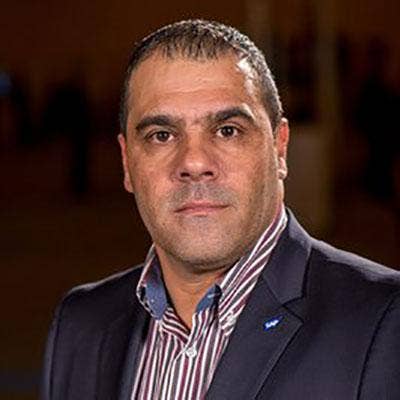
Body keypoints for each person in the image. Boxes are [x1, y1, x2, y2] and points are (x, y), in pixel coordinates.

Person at [40, 20, 400, 400]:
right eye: (162, 135)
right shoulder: (79, 326)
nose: (194, 162)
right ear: (127, 163)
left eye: (228, 130)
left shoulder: (384, 323)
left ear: (279, 149)